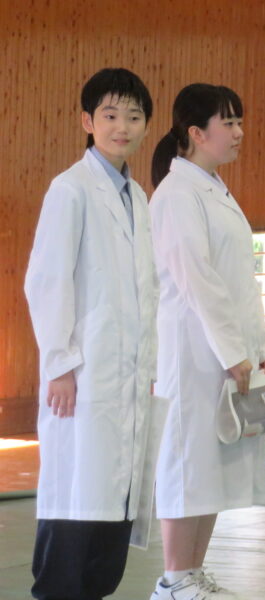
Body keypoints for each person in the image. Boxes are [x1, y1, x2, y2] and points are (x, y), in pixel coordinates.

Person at [24, 68, 159, 600]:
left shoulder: (138, 197)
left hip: (127, 380)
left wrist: (148, 365)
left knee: (112, 514)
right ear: (87, 121)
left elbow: (146, 291)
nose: (122, 126)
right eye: (110, 115)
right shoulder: (70, 190)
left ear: (146, 124)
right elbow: (47, 281)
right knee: (77, 501)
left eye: (134, 116)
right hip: (83, 377)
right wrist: (59, 364)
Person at [149, 83, 265, 599]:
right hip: (192, 351)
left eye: (240, 121)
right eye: (229, 123)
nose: (240, 133)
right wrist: (233, 352)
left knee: (213, 464)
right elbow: (197, 279)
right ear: (196, 133)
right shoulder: (176, 194)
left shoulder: (215, 189)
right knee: (188, 461)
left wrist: (262, 345)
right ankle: (173, 578)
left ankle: (192, 572)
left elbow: (241, 279)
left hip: (226, 351)